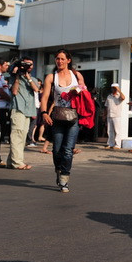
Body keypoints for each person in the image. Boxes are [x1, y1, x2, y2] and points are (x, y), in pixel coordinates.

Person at [39, 49, 85, 193]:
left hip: (73, 117)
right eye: (57, 59)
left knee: (68, 150)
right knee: (57, 150)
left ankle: (64, 179)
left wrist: (78, 90)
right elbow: (45, 97)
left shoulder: (76, 75)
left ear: (68, 60)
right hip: (57, 116)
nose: (59, 61)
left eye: (62, 59)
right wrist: (44, 113)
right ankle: (59, 170)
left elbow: (84, 90)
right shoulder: (51, 77)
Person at [7, 57, 39, 170]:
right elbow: (14, 92)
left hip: (28, 111)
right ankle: (18, 163)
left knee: (22, 137)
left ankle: (11, 161)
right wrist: (17, 77)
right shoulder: (13, 78)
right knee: (17, 136)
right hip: (18, 109)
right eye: (26, 64)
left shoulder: (33, 79)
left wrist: (28, 77)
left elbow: (36, 89)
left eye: (30, 64)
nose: (28, 66)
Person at [105, 83, 126, 150]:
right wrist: (104, 115)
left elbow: (123, 98)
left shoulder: (119, 96)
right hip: (109, 115)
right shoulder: (109, 96)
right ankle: (111, 144)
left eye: (115, 88)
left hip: (116, 115)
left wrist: (119, 90)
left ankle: (117, 145)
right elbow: (106, 106)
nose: (113, 89)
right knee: (110, 131)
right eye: (112, 88)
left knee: (117, 131)